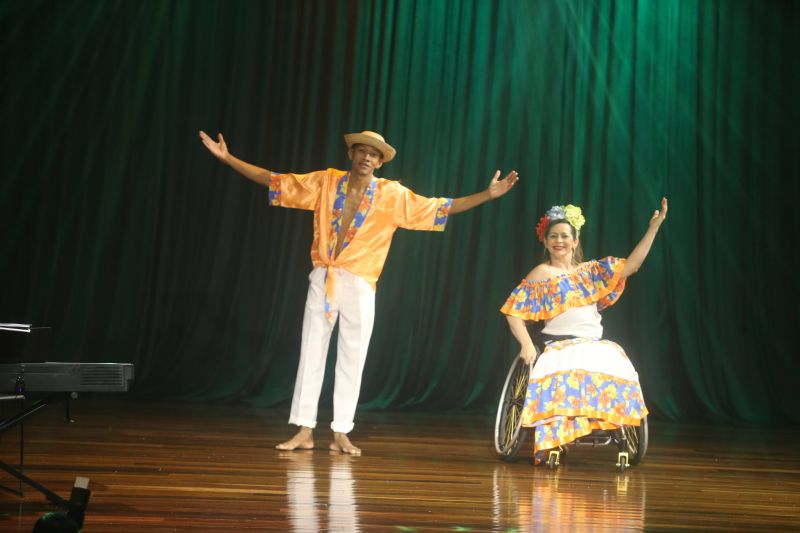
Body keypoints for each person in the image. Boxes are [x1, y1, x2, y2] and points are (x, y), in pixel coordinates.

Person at [200, 129, 519, 455]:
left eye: (374, 154)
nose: (367, 157)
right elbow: (277, 181)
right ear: (351, 154)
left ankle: (340, 432)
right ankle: (304, 429)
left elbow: (438, 207)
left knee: (352, 359)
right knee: (310, 352)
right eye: (362, 151)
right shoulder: (326, 182)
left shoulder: (392, 195)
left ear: (380, 162)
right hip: (323, 276)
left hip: (360, 283)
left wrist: (486, 195)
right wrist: (228, 159)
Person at [501, 199, 667, 463]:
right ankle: (557, 436)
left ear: (575, 241)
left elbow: (631, 266)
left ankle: (620, 431)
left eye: (565, 236)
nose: (559, 241)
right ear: (545, 242)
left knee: (618, 365)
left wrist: (654, 228)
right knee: (570, 368)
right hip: (559, 344)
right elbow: (513, 311)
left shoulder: (590, 271)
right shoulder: (542, 273)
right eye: (553, 236)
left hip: (593, 343)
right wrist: (526, 344)